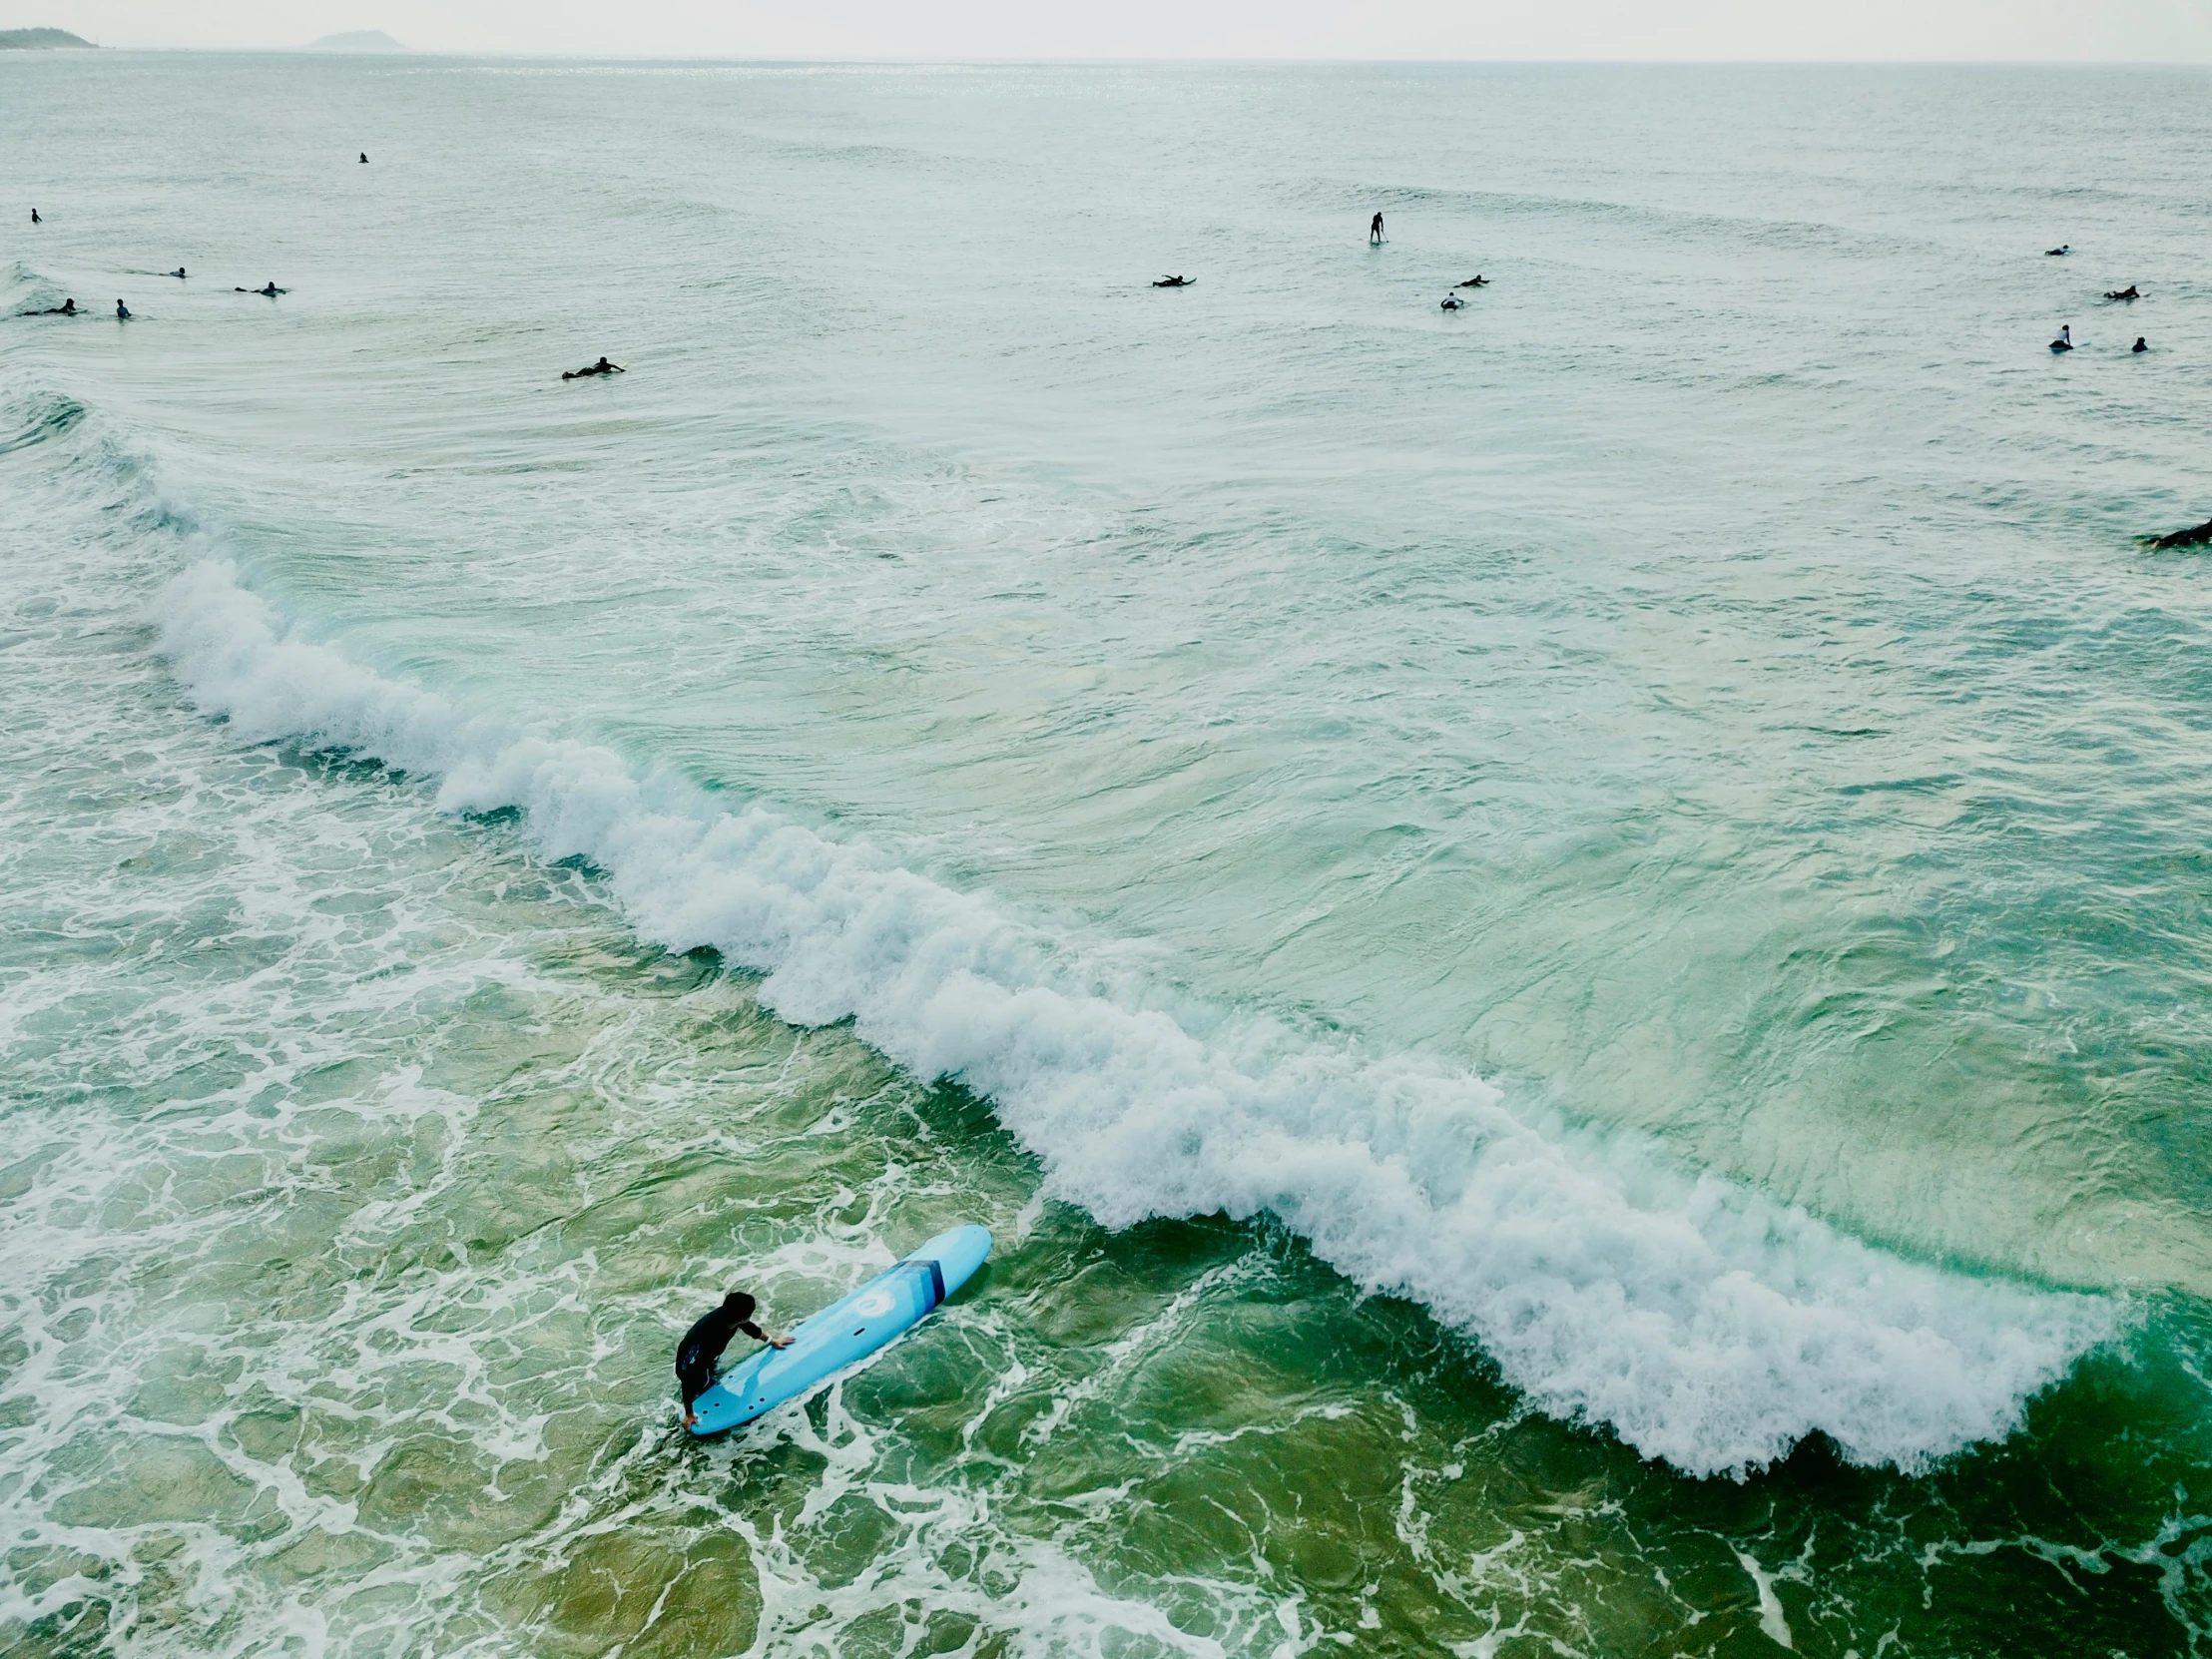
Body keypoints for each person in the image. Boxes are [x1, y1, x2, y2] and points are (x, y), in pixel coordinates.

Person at [677, 1290, 792, 1427]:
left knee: (708, 1375)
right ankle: (694, 1407)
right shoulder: (711, 1332)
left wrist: (772, 1341)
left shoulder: (730, 1316)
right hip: (690, 1364)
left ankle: (703, 1389)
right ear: (742, 1317)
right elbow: (689, 1375)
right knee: (701, 1382)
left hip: (706, 1358)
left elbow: (750, 1328)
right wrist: (689, 1413)